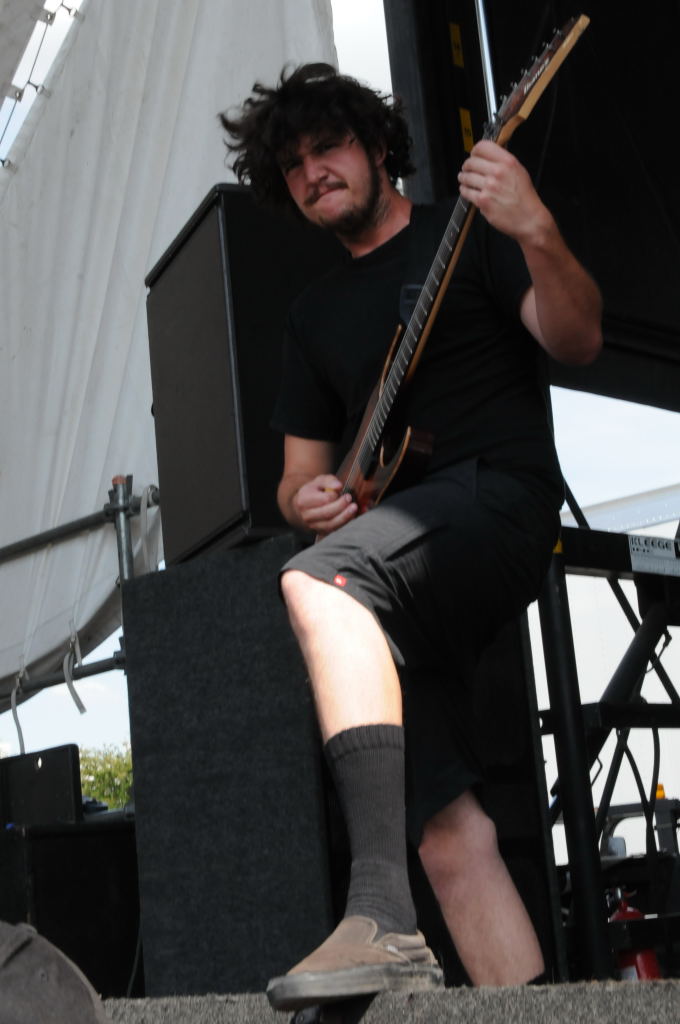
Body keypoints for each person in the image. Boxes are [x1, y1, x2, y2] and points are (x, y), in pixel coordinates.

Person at [220, 63, 602, 1011]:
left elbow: (578, 339)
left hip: (497, 501)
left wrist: (536, 228)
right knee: (445, 836)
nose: (313, 173)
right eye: (293, 165)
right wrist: (309, 499)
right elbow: (296, 478)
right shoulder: (312, 316)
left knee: (317, 582)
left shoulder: (467, 231)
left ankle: (378, 915)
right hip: (394, 564)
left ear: (379, 145)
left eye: (329, 148)